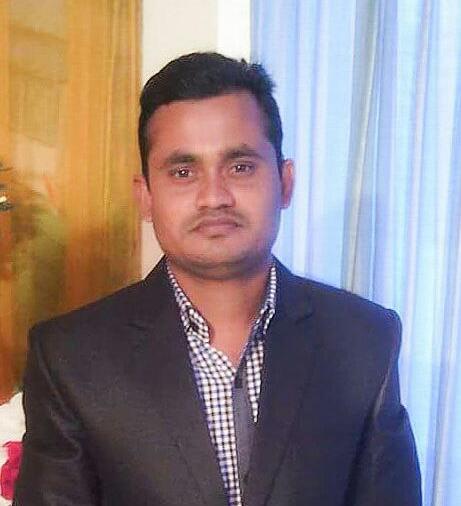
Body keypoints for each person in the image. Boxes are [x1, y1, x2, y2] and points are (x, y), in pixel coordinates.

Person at [14, 52, 421, 506]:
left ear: (285, 182)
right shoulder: (71, 358)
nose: (214, 197)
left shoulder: (363, 340)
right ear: (145, 196)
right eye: (183, 172)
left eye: (240, 166)